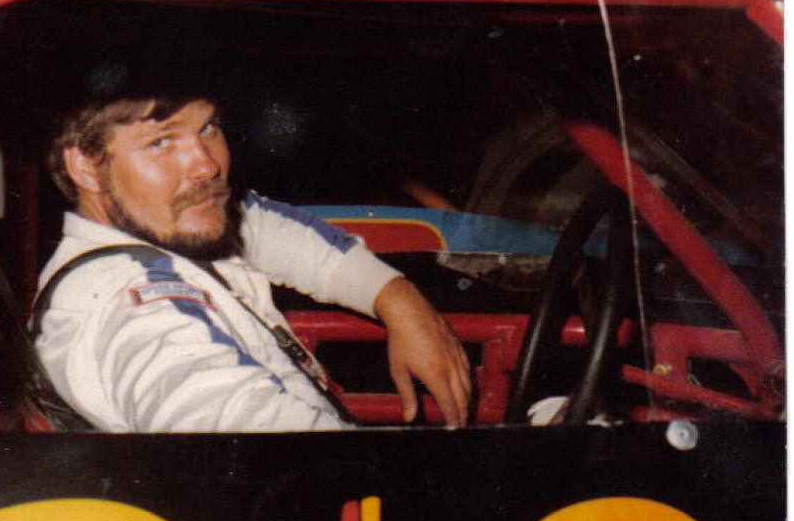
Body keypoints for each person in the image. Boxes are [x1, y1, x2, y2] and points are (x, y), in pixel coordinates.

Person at [29, 77, 472, 432]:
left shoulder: (169, 229)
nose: (207, 164)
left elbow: (263, 225)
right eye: (161, 143)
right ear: (85, 166)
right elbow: (232, 425)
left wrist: (397, 297)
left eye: (209, 128)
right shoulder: (128, 305)